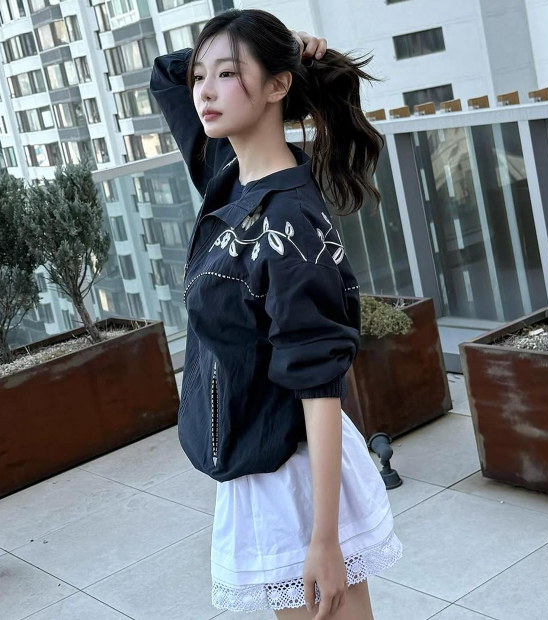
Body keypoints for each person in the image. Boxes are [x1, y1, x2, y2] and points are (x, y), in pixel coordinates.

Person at [149, 8, 403, 619]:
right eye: (202, 76)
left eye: (227, 75)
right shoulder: (227, 172)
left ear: (277, 86)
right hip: (257, 457)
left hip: (294, 472)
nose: (203, 92)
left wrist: (324, 540)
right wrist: (279, 47)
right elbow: (165, 74)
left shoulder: (289, 219)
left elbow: (320, 385)